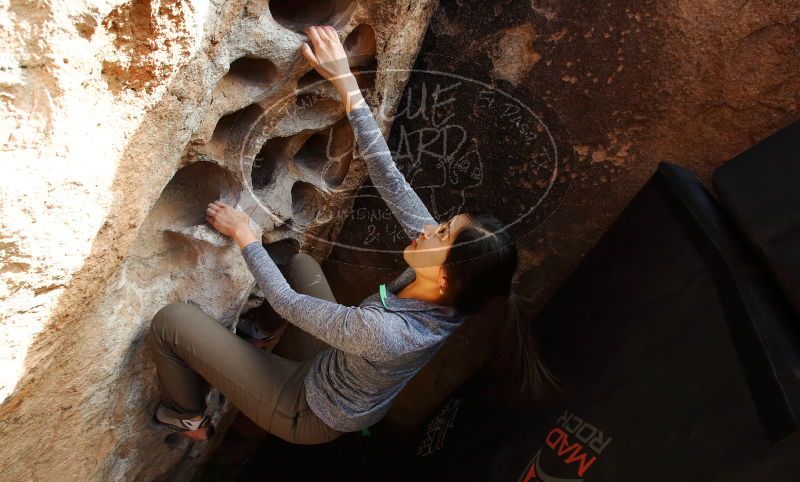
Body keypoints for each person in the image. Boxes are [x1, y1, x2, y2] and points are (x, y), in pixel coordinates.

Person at [146, 25, 561, 444]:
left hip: (305, 410)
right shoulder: (455, 293)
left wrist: (245, 234)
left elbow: (288, 304)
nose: (428, 228)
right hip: (339, 363)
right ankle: (255, 338)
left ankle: (186, 416)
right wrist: (344, 80)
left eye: (441, 233)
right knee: (299, 263)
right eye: (443, 223)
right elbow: (389, 178)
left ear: (446, 278)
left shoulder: (387, 334)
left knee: (171, 323)